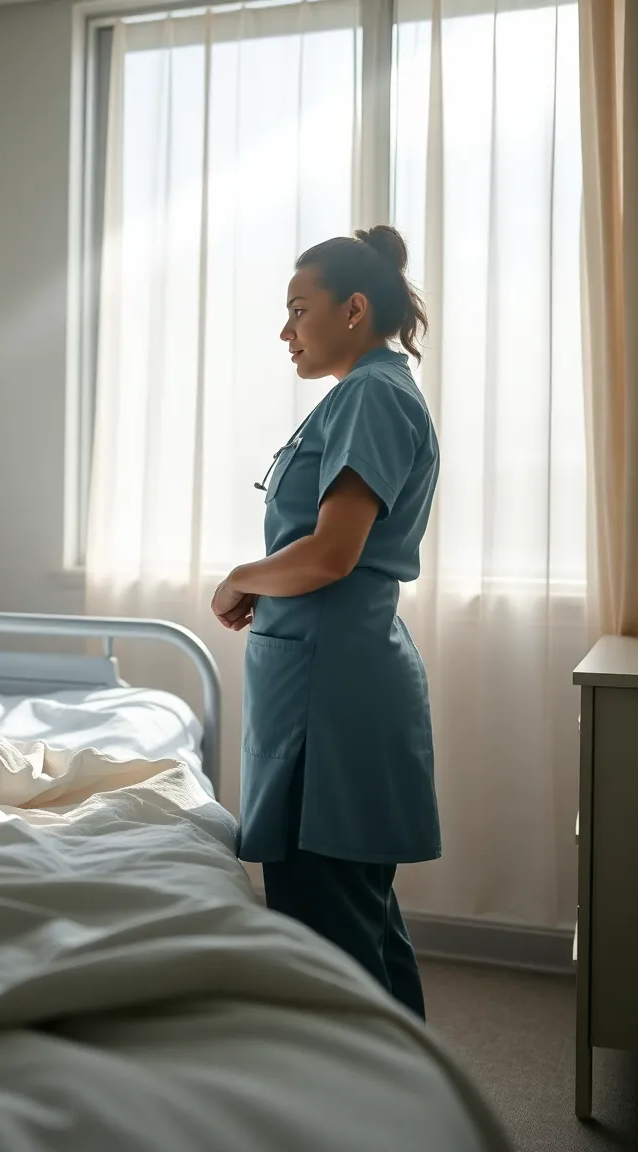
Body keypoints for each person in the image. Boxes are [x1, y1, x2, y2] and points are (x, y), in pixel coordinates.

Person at [211, 226, 440, 1020]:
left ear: (352, 310)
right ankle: (414, 1110)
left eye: (298, 311)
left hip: (333, 692)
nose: (286, 332)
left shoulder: (373, 394)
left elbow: (333, 553)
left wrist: (243, 577)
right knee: (361, 923)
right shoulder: (366, 392)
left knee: (328, 940)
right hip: (328, 676)